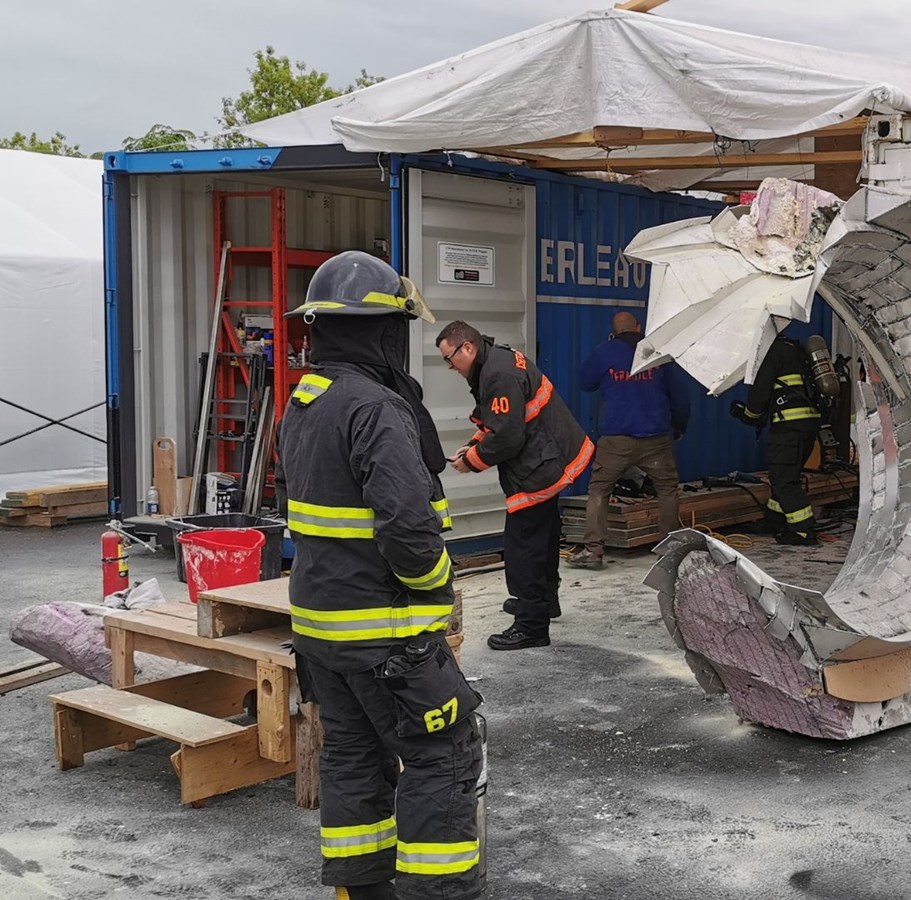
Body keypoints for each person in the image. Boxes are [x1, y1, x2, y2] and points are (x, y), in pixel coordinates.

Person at [277, 250, 483, 900]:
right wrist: (435, 585)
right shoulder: (376, 408)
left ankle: (359, 891)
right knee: (443, 754)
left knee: (354, 756)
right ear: (380, 330)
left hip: (322, 634)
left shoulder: (306, 403)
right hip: (387, 638)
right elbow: (408, 529)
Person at [435, 320, 593, 651]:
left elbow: (507, 436)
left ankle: (531, 624)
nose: (450, 366)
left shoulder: (498, 373)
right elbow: (500, 418)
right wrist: (476, 443)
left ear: (467, 347)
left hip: (538, 464)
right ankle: (544, 601)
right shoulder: (495, 361)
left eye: (450, 358)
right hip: (547, 455)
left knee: (523, 547)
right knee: (544, 536)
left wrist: (472, 461)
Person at [566, 311, 690, 570]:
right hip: (655, 438)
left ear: (614, 331)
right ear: (639, 327)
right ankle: (668, 547)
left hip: (616, 440)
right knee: (667, 489)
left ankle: (593, 551)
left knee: (599, 489)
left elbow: (585, 382)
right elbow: (680, 396)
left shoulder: (605, 351)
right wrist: (679, 426)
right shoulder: (658, 353)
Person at [730, 331, 824, 545]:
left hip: (788, 428)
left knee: (784, 480)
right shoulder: (795, 349)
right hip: (808, 425)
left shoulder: (770, 353)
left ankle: (803, 531)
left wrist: (747, 415)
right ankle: (774, 520)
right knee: (783, 475)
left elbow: (759, 393)